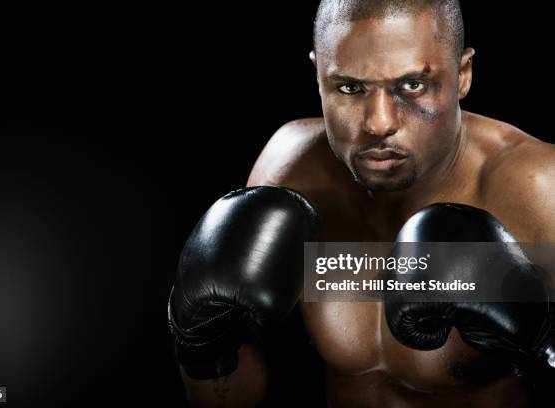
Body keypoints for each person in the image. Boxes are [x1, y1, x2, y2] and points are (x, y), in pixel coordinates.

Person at [168, 0, 555, 406]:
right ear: (319, 75)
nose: (379, 123)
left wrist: (544, 340)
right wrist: (202, 344)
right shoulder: (294, 172)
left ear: (462, 75)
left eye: (412, 85)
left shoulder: (534, 187)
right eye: (350, 87)